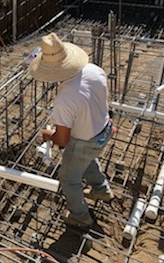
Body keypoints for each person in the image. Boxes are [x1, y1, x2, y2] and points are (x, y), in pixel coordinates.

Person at [29, 33, 114, 228]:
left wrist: (48, 135)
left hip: (83, 142)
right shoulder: (94, 70)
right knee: (87, 159)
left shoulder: (65, 99)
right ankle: (101, 190)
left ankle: (80, 216)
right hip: (104, 130)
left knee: (69, 180)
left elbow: (62, 141)